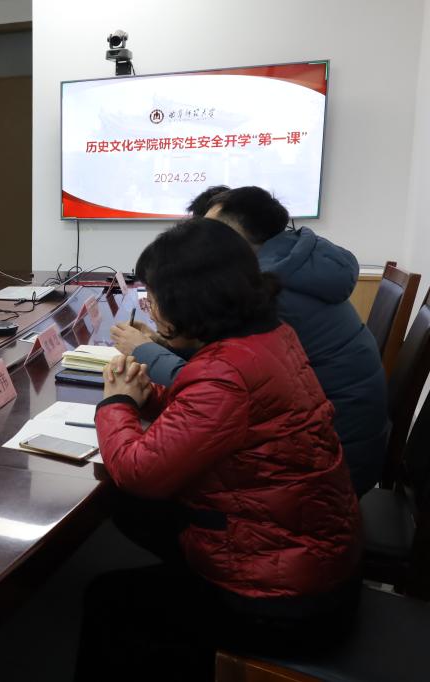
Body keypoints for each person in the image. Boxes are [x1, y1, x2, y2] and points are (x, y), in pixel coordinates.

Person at [78, 218, 361, 680]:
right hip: (312, 556)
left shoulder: (225, 372)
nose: (150, 307)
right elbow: (217, 416)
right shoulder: (268, 337)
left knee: (109, 597)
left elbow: (138, 471)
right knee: (136, 515)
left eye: (154, 297)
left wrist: (117, 403)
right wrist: (151, 396)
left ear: (190, 302)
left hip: (286, 601)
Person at [112, 186, 388, 495]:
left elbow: (220, 384)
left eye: (210, 234)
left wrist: (142, 357)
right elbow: (224, 369)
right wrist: (166, 343)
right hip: (332, 449)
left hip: (329, 468)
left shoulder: (271, 295)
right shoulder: (294, 269)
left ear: (238, 241)